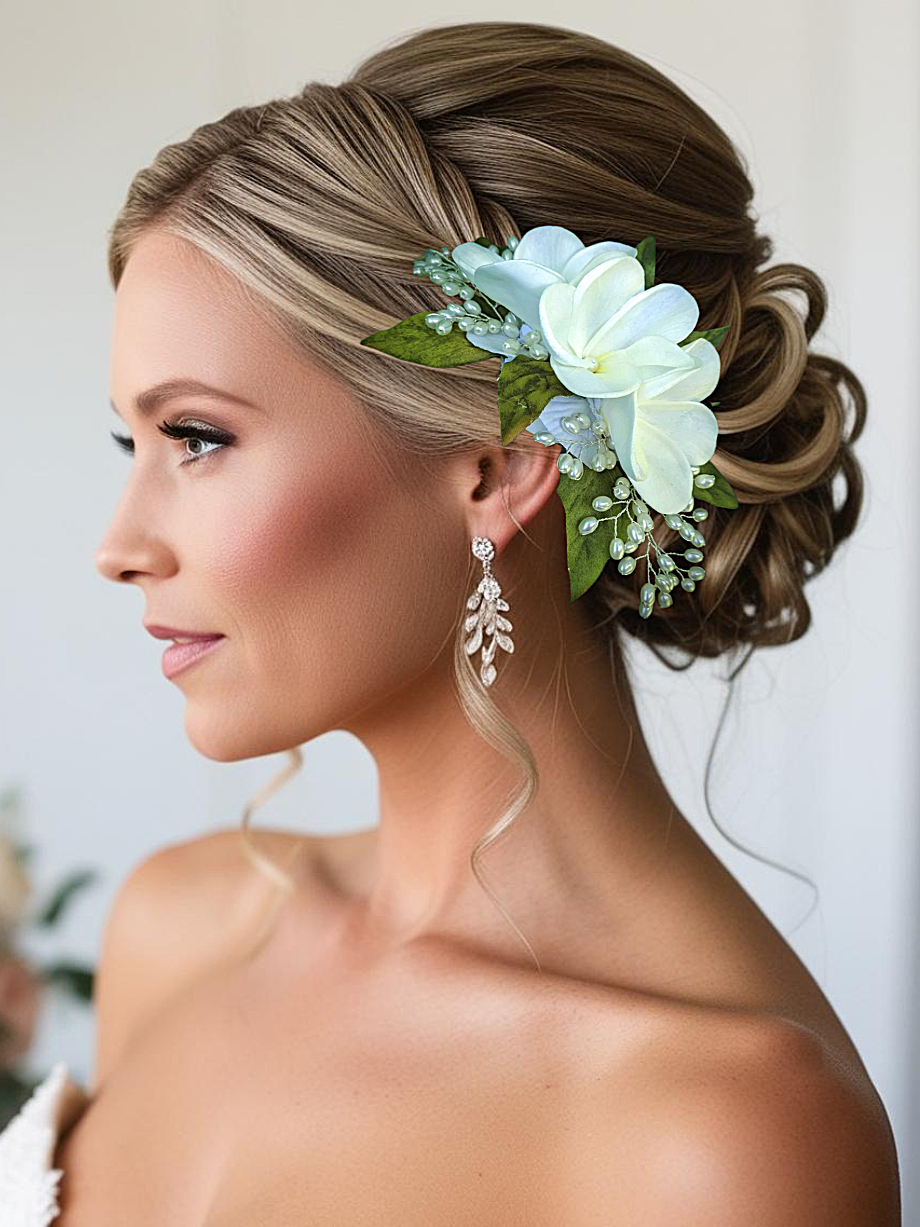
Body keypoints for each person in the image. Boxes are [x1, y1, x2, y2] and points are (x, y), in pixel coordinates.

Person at [5, 18, 901, 1225]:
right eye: (135, 441)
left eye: (198, 438)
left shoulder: (723, 1132)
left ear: (498, 464)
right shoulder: (179, 930)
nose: (119, 548)